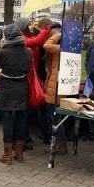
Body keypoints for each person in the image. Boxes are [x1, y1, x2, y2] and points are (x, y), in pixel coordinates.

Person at [0, 21, 32, 164]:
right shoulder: (28, 52)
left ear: (8, 37)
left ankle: (7, 155)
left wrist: (1, 47)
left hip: (7, 88)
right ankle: (19, 154)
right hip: (22, 88)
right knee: (21, 119)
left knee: (8, 119)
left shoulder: (4, 52)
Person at [21, 17, 52, 150]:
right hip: (28, 79)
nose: (32, 27)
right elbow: (36, 42)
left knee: (33, 109)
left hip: (35, 78)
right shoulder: (23, 39)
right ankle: (24, 139)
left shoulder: (29, 37)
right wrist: (47, 30)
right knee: (27, 110)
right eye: (29, 25)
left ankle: (38, 136)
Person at [42, 22, 68, 154]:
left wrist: (57, 34)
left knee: (55, 115)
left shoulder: (60, 48)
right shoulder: (64, 46)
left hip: (56, 84)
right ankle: (59, 143)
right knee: (55, 115)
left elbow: (46, 45)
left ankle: (60, 144)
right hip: (56, 83)